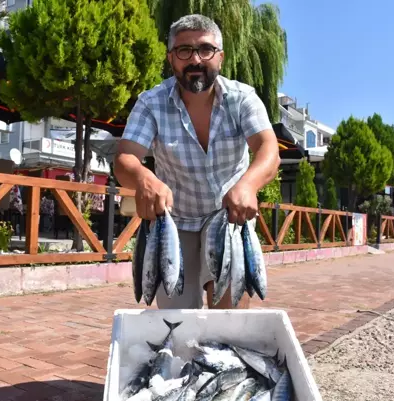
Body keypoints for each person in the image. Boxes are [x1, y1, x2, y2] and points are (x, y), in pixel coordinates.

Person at [114, 14, 280, 310]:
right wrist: (143, 178)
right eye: (184, 51)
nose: (195, 59)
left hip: (230, 218)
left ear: (221, 57)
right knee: (177, 323)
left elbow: (268, 148)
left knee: (229, 317)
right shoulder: (150, 102)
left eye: (206, 50)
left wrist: (249, 184)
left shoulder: (243, 99)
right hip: (174, 224)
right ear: (171, 58)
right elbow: (125, 157)